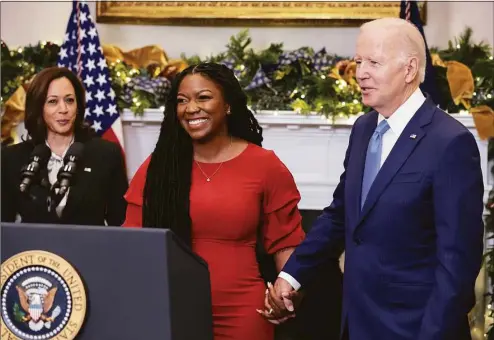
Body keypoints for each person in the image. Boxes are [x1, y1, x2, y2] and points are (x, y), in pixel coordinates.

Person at [263, 18, 485, 340]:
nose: (360, 73)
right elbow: (341, 215)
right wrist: (292, 275)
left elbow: (457, 265)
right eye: (357, 62)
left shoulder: (450, 142)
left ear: (409, 70)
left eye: (374, 62)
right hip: (356, 323)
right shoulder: (364, 129)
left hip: (416, 329)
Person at [122, 62, 306, 340]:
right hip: (170, 306)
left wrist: (289, 291)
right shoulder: (158, 168)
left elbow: (287, 243)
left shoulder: (264, 165)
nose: (191, 108)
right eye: (182, 101)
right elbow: (133, 242)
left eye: (203, 97)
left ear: (228, 105)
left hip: (243, 311)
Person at [1, 66, 128, 226]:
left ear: (78, 106)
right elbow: (4, 228)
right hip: (37, 250)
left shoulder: (106, 154)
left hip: (90, 249)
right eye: (53, 102)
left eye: (69, 100)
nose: (64, 109)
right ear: (39, 107)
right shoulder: (11, 158)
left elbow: (121, 223)